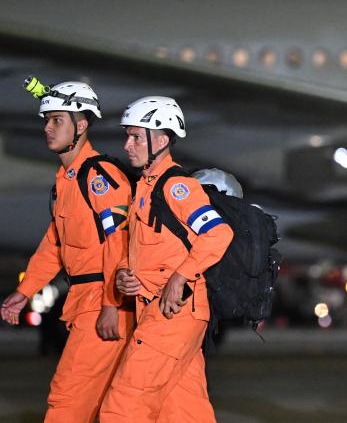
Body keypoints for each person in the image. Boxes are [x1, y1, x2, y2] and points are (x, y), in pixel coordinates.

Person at [0, 81, 134, 422]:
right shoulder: (67, 181)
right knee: (106, 404)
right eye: (46, 120)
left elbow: (120, 243)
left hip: (104, 301)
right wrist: (24, 291)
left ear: (82, 124)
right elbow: (54, 246)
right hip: (85, 299)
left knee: (67, 398)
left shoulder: (99, 176)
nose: (47, 127)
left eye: (57, 119)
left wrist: (110, 305)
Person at [100, 96, 234, 422]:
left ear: (160, 140)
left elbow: (219, 233)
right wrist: (123, 274)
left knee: (123, 407)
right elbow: (140, 249)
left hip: (172, 315)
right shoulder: (144, 189)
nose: (127, 145)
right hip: (159, 311)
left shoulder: (178, 188)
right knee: (185, 412)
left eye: (135, 137)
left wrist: (180, 276)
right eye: (126, 136)